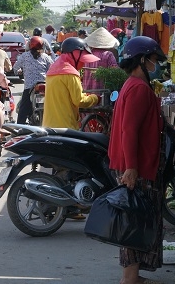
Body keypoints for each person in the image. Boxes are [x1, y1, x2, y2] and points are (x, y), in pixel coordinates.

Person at [108, 36, 167, 284]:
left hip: (135, 165)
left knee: (137, 221)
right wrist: (131, 168)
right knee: (135, 223)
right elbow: (128, 131)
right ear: (142, 61)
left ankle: (133, 277)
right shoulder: (139, 89)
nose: (156, 65)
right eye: (153, 60)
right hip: (136, 168)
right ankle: (129, 279)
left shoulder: (133, 85)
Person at [42, 37, 100, 130]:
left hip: (48, 126)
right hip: (66, 129)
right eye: (82, 59)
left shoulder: (52, 69)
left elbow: (65, 95)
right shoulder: (71, 73)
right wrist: (95, 98)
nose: (83, 63)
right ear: (74, 56)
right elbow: (79, 101)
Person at [13, 36, 53, 124]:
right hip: (44, 85)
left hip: (30, 87)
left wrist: (18, 71)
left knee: (23, 109)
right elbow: (52, 69)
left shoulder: (24, 56)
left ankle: (20, 127)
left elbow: (15, 68)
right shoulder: (45, 57)